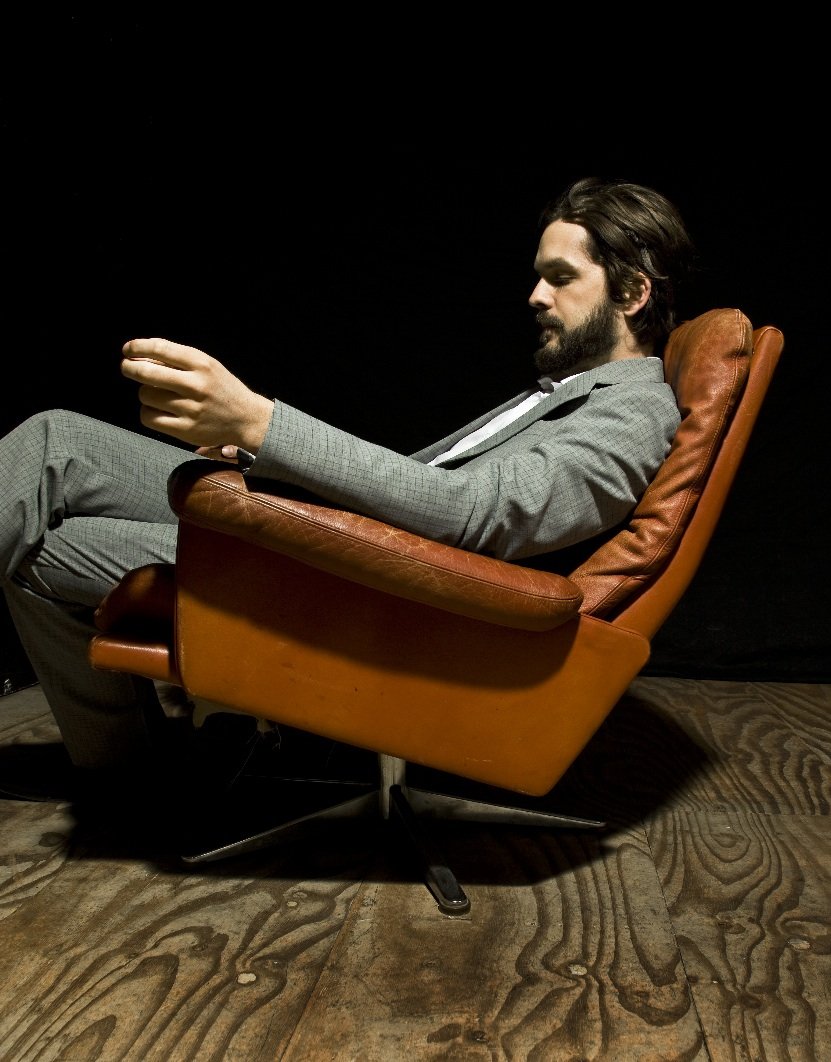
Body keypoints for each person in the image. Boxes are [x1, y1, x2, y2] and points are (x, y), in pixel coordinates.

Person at [0, 176, 696, 812]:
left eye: (561, 278)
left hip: (361, 588)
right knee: (58, 443)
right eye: (539, 277)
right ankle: (123, 769)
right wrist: (265, 460)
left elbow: (474, 514)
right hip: (341, 545)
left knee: (46, 547)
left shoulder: (634, 415)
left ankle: (123, 774)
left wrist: (261, 421)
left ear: (632, 293)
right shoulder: (576, 394)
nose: (536, 296)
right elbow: (429, 489)